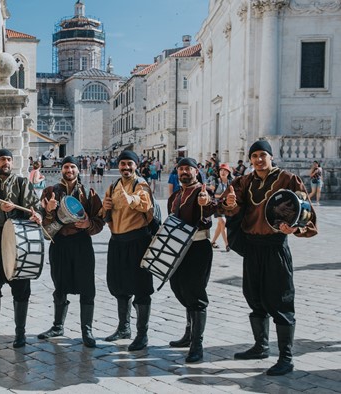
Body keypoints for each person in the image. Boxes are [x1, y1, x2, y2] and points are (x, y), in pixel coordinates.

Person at [222, 140, 317, 376]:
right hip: (252, 247)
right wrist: (230, 204)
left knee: (280, 299)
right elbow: (231, 208)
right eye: (254, 155)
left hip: (275, 247)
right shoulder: (243, 181)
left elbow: (306, 213)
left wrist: (295, 229)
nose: (258, 159)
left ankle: (286, 357)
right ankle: (261, 346)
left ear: (271, 157)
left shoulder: (288, 180)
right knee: (254, 296)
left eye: (263, 154)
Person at [0, 149, 42, 348]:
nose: (6, 162)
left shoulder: (23, 183)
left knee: (21, 285)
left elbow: (34, 205)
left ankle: (20, 333)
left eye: (9, 160)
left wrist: (36, 214)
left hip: (17, 238)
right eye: (3, 159)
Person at [37, 156, 104, 347]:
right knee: (60, 285)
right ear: (62, 169)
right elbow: (42, 222)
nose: (69, 170)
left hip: (82, 244)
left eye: (73, 167)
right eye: (66, 167)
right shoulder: (50, 192)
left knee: (87, 286)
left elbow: (100, 220)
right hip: (59, 244)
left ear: (78, 169)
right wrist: (48, 210)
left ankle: (87, 330)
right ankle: (58, 326)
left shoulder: (88, 193)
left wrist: (88, 223)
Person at [101, 150, 155, 351]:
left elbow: (144, 204)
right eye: (122, 164)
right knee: (119, 286)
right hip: (117, 242)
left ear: (136, 166)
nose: (125, 167)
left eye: (129, 164)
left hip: (137, 242)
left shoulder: (140, 184)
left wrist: (129, 198)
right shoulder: (113, 186)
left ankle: (142, 334)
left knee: (141, 287)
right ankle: (124, 327)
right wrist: (106, 207)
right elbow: (105, 215)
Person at [167, 158, 217, 363]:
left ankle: (197, 344)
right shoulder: (177, 195)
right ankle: (189, 333)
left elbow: (211, 207)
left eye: (188, 169)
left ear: (196, 171)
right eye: (181, 169)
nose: (184, 172)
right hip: (178, 248)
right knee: (178, 286)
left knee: (195, 293)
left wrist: (207, 203)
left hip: (198, 247)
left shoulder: (202, 191)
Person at [209, 163, 232, 251]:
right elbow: (210, 194)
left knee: (220, 225)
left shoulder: (231, 183)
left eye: (225, 171)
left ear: (228, 173)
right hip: (217, 205)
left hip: (227, 206)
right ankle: (227, 244)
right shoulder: (215, 182)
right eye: (221, 170)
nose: (222, 172)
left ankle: (213, 242)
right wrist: (221, 196)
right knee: (223, 222)